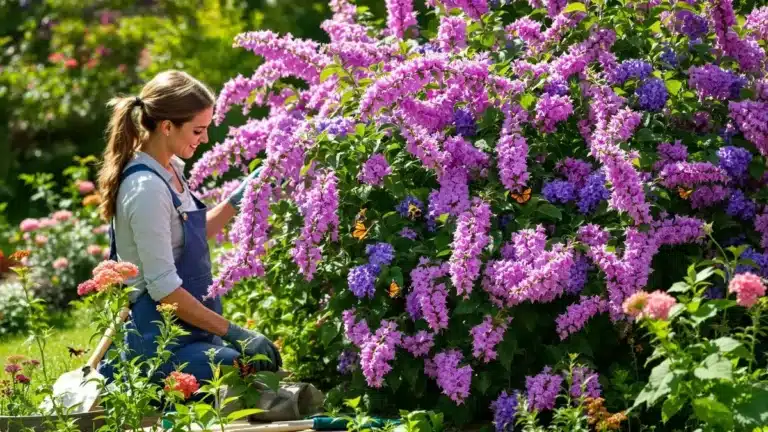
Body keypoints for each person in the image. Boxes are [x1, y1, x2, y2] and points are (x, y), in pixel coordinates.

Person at [95, 70, 281, 388]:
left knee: (260, 367)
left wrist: (241, 197)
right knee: (252, 370)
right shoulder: (146, 188)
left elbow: (186, 239)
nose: (205, 139)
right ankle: (138, 382)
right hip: (157, 344)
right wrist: (235, 332)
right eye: (198, 130)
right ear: (167, 126)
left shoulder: (170, 171)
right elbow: (164, 291)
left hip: (186, 333)